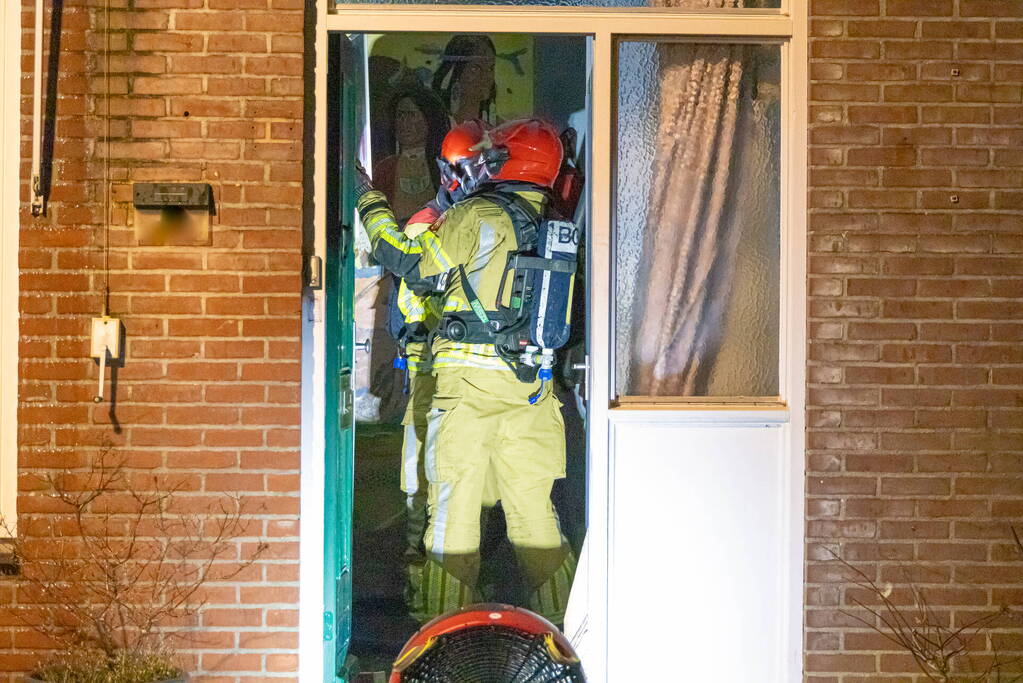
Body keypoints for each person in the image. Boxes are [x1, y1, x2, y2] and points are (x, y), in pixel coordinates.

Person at [355, 118, 577, 626]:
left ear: (509, 162)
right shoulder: (560, 226)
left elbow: (408, 260)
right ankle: (570, 643)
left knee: (451, 524)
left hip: (466, 396)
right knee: (537, 524)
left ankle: (441, 652)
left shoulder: (476, 214)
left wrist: (370, 201)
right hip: (534, 395)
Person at [432, 35, 498, 125]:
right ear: (456, 72)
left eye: (490, 68)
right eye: (475, 69)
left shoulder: (501, 129)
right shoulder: (438, 125)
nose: (486, 76)